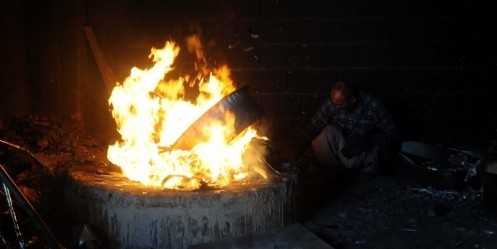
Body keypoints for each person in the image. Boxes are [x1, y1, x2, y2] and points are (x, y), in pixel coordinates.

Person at [293, 80, 400, 183]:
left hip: (362, 146)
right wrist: (295, 152)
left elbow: (392, 133)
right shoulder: (333, 104)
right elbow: (313, 127)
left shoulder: (373, 105)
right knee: (322, 137)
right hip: (343, 144)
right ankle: (334, 172)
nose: (336, 107)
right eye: (334, 104)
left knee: (371, 154)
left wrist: (369, 140)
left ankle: (362, 174)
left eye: (340, 105)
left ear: (352, 100)